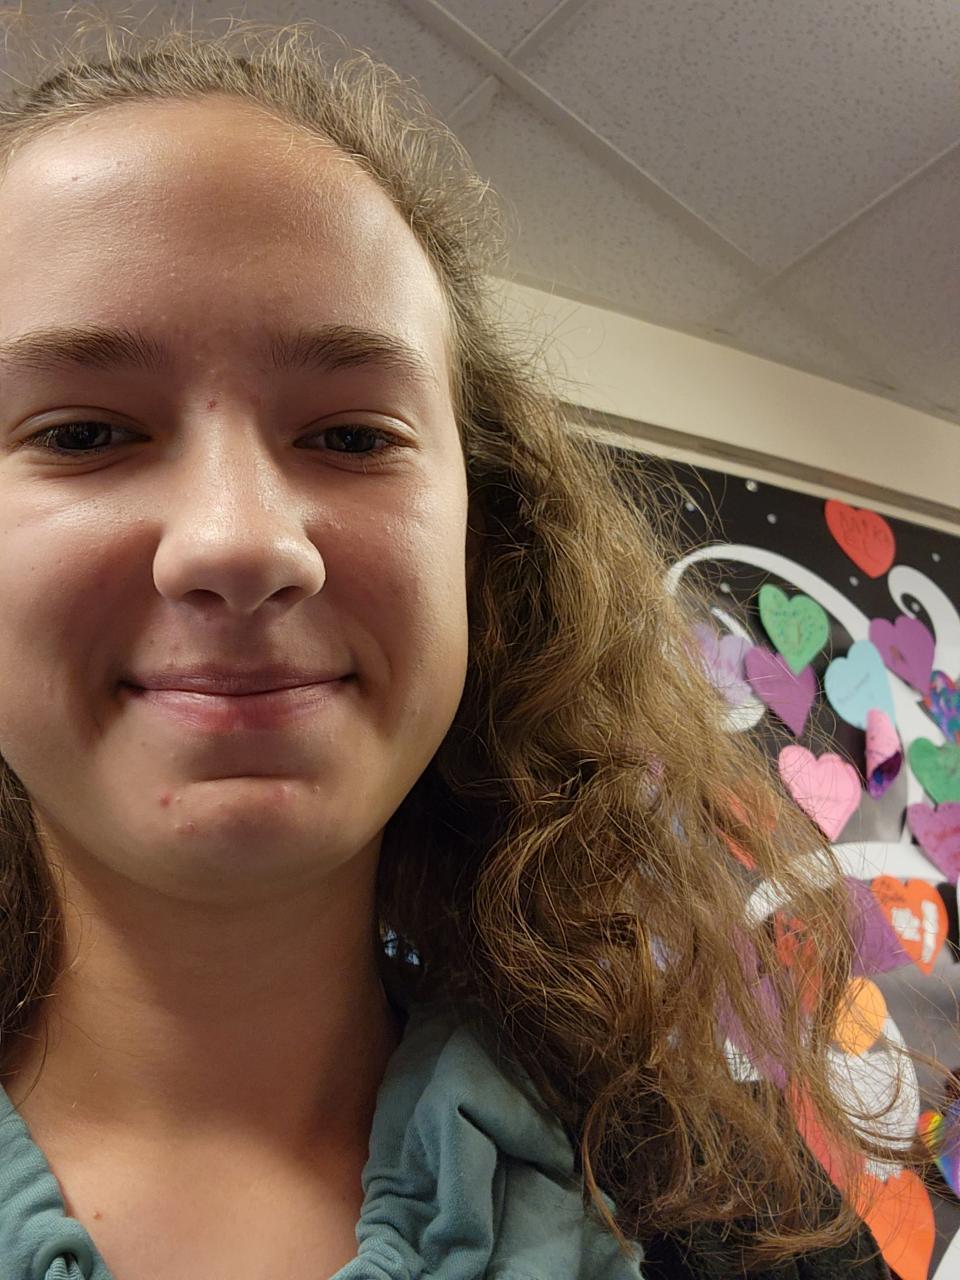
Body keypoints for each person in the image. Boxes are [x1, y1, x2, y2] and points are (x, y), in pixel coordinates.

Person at [0, 10, 936, 1279]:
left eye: (350, 436)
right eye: (81, 433)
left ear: (481, 553)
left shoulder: (736, 1212)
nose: (240, 540)